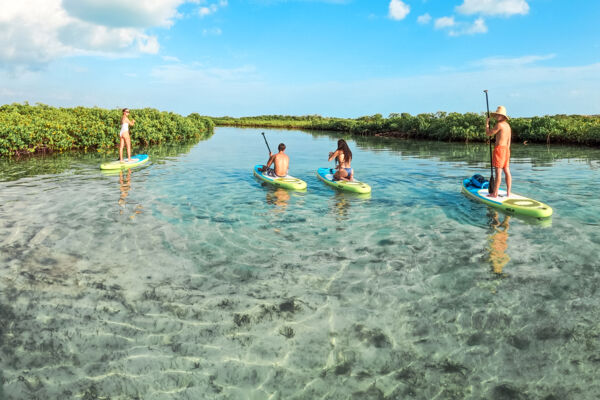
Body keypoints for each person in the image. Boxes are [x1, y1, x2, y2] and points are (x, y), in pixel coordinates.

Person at [486, 106, 512, 197]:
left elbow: (488, 133)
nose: (497, 116)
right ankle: (508, 192)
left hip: (500, 150)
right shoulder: (508, 126)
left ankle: (495, 193)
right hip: (507, 149)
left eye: (499, 115)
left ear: (503, 116)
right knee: (507, 170)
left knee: (498, 172)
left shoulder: (499, 125)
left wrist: (487, 124)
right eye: (496, 115)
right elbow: (509, 141)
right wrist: (507, 150)